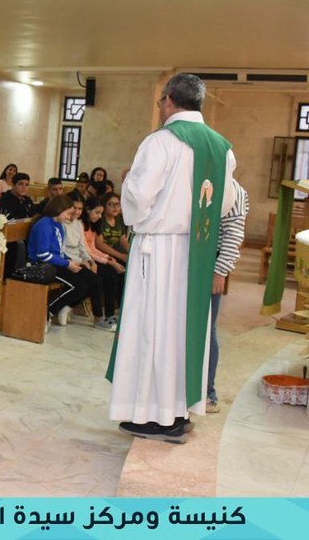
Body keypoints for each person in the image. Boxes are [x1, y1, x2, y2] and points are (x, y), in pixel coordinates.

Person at [107, 73, 236, 444]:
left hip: (159, 249)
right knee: (184, 331)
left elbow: (139, 197)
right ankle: (178, 411)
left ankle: (155, 417)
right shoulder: (222, 147)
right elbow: (225, 204)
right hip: (196, 253)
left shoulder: (161, 141)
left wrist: (128, 180)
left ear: (167, 101)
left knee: (153, 329)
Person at [208, 178, 249, 414]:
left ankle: (207, 392)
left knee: (207, 329)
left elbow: (234, 236)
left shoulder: (234, 190)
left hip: (212, 264)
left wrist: (220, 272)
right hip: (190, 261)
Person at [28, 194, 98, 328]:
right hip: (45, 265)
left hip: (58, 262)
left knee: (93, 280)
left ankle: (65, 307)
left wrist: (70, 261)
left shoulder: (58, 224)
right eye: (68, 213)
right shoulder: (44, 225)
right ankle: (48, 311)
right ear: (58, 210)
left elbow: (59, 251)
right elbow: (43, 254)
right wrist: (67, 264)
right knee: (79, 286)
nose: (69, 217)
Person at [61, 194, 114, 331]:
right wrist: (81, 262)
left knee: (95, 279)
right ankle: (98, 318)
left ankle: (69, 306)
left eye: (80, 209)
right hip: (67, 261)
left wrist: (89, 260)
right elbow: (62, 249)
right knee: (94, 281)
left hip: (78, 259)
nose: (77, 212)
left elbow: (82, 247)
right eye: (75, 208)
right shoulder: (62, 223)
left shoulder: (78, 223)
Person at [82, 195, 125, 330]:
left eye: (100, 213)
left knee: (117, 273)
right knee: (106, 277)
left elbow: (93, 247)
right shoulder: (81, 225)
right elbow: (88, 249)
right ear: (88, 210)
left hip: (94, 257)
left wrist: (108, 258)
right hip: (85, 259)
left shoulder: (93, 225)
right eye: (97, 213)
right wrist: (108, 260)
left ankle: (114, 313)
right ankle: (103, 316)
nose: (100, 216)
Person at [94, 192, 130, 266]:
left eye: (117, 204)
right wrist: (121, 256)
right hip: (101, 255)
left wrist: (132, 254)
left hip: (116, 253)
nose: (115, 207)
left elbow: (123, 240)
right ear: (104, 206)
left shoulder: (119, 220)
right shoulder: (100, 220)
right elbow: (99, 244)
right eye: (111, 204)